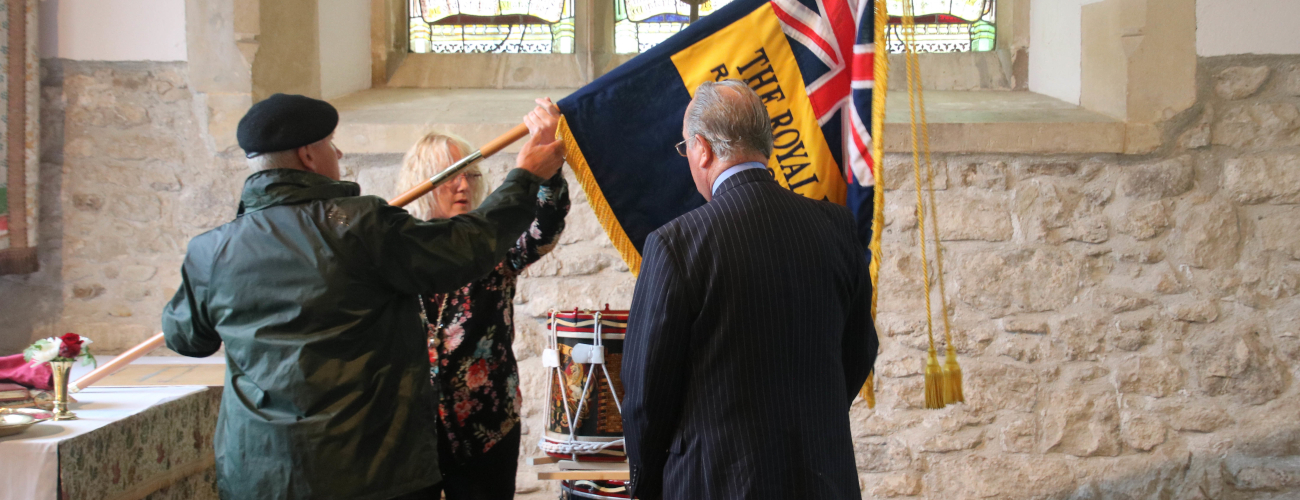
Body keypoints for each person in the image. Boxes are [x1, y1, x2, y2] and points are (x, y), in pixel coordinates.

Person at [161, 93, 566, 500]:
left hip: (259, 472)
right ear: (307, 155)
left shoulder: (210, 251)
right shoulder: (360, 226)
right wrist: (524, 178)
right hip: (368, 469)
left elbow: (188, 338)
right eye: (330, 144)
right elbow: (466, 248)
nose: (337, 152)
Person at [620, 80, 878, 500]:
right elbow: (859, 350)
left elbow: (646, 396)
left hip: (713, 483)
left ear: (701, 149)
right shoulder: (835, 227)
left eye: (687, 149)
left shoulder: (676, 244)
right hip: (823, 480)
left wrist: (645, 487)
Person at [394, 128, 569, 500]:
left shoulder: (492, 244)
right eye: (448, 175)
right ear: (422, 181)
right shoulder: (396, 249)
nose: (462, 185)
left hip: (486, 427)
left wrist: (545, 171)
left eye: (470, 175)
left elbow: (544, 227)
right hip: (410, 431)